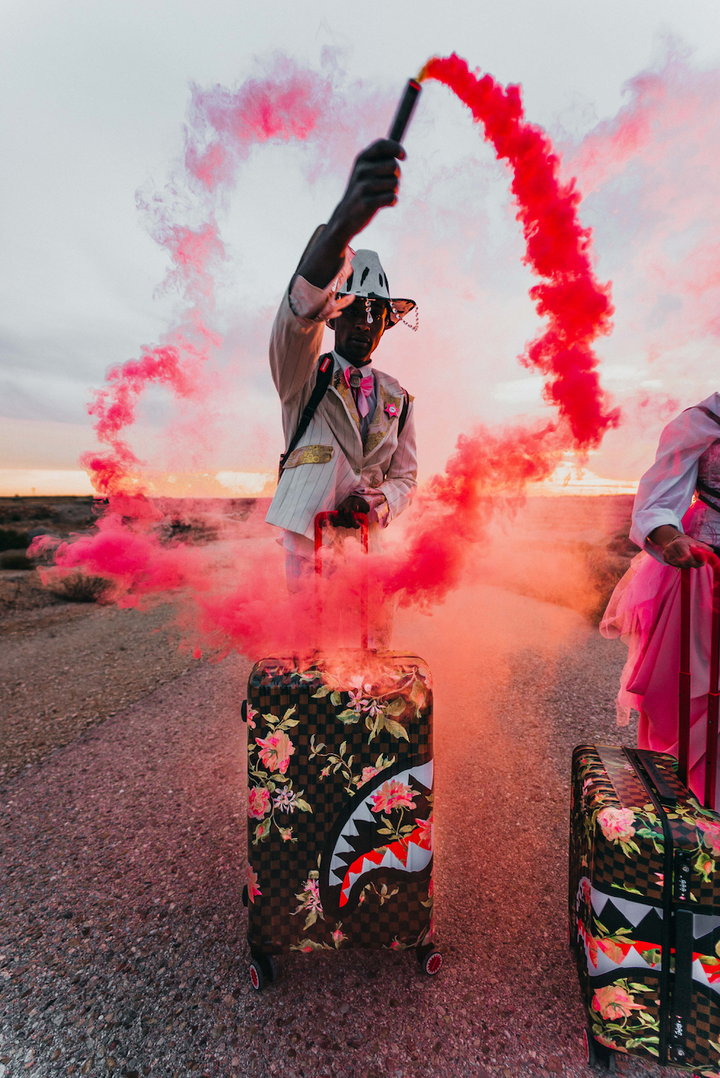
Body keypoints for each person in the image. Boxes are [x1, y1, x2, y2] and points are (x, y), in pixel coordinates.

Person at [265, 139, 418, 594]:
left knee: (372, 660)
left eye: (375, 314)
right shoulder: (303, 380)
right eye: (353, 310)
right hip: (309, 550)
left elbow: (406, 478)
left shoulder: (401, 400)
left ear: (388, 324)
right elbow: (296, 319)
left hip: (371, 556)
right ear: (334, 316)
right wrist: (339, 229)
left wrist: (376, 503)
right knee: (310, 660)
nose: (363, 324)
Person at [601, 394, 720, 804]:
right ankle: (694, 824)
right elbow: (655, 504)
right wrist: (669, 537)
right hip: (707, 575)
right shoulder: (701, 422)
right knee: (695, 703)